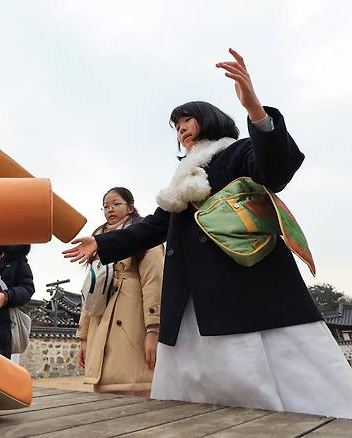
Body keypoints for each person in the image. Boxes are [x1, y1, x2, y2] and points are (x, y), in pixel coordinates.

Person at [63, 48, 352, 418]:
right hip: (192, 295)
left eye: (187, 120)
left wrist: (256, 111)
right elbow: (155, 225)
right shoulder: (183, 178)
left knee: (261, 373)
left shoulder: (235, 154)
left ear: (209, 120)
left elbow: (276, 170)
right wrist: (101, 242)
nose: (181, 129)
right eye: (177, 125)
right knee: (195, 386)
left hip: (245, 284)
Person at [77, 187, 164, 397]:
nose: (110, 210)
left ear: (131, 207)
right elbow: (90, 288)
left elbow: (155, 280)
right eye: (106, 206)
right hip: (101, 315)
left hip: (133, 317)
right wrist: (84, 337)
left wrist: (154, 329)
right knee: (105, 391)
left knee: (134, 386)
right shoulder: (97, 238)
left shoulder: (144, 234)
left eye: (116, 204)